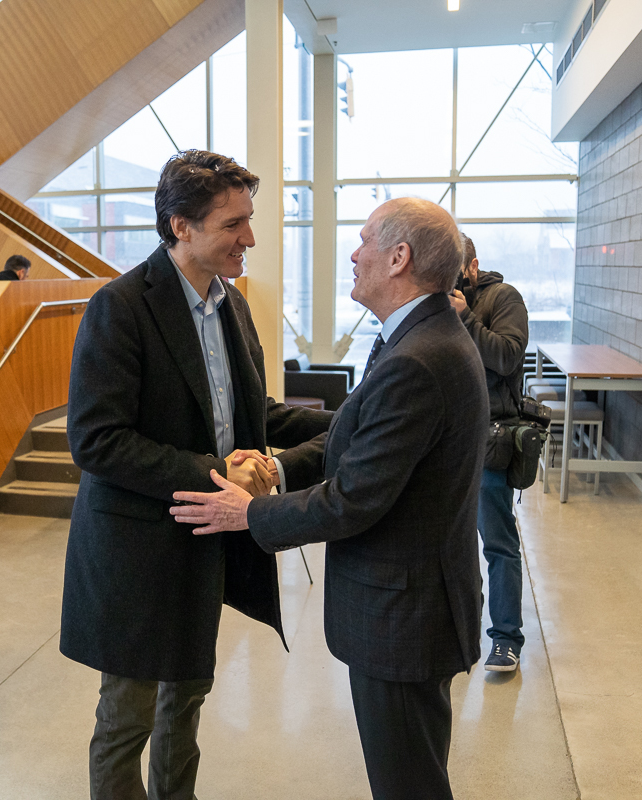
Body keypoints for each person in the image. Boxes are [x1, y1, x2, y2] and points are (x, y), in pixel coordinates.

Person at [172, 197, 489, 800]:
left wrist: (250, 513)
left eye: (365, 240)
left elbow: (353, 499)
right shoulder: (419, 338)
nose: (353, 252)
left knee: (409, 784)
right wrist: (274, 468)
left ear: (399, 258)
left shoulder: (418, 360)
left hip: (405, 618)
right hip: (413, 609)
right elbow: (356, 440)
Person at [60, 150, 334, 800]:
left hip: (205, 544)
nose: (251, 238)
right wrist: (222, 470)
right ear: (181, 225)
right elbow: (97, 442)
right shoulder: (120, 307)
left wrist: (350, 423)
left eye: (250, 220)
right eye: (234, 223)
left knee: (185, 707)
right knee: (126, 721)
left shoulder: (231, 308)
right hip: (136, 552)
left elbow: (251, 414)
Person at [448, 233, 530, 673]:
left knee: (497, 543)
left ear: (472, 266)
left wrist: (466, 320)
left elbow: (508, 357)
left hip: (489, 440)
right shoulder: (435, 300)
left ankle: (506, 639)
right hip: (444, 441)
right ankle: (461, 631)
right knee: (452, 545)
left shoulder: (503, 298)